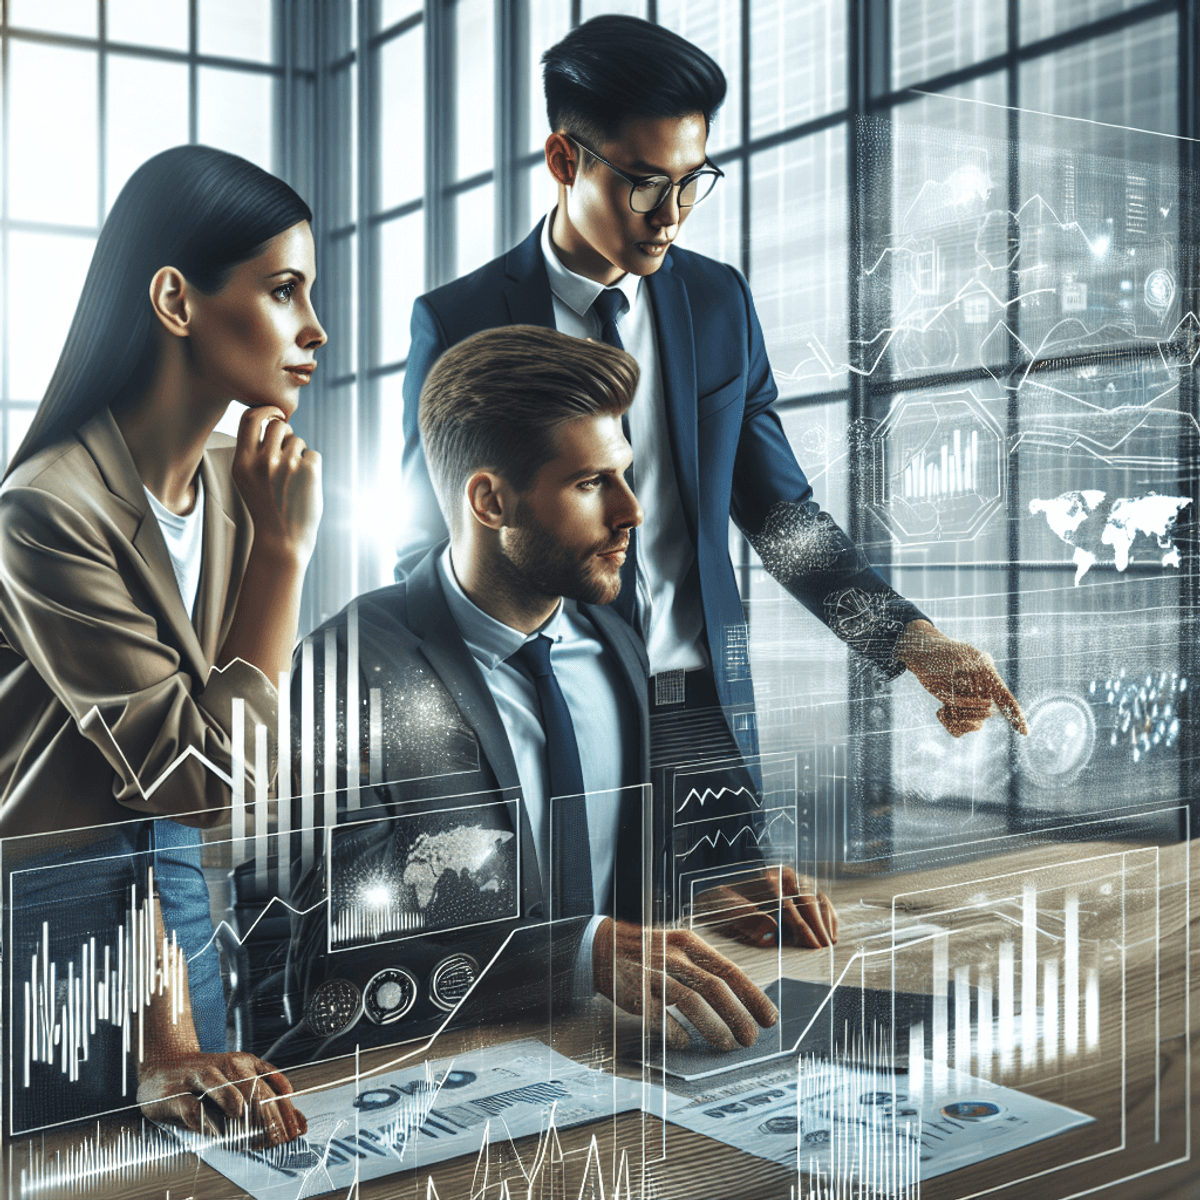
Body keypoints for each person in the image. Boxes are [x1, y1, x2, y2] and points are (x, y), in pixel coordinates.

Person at [395, 15, 1027, 776]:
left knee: (757, 901)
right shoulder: (459, 322)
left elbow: (781, 516)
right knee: (588, 905)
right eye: (644, 183)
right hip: (544, 711)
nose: (671, 214)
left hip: (704, 713)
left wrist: (911, 640)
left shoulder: (718, 304)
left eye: (692, 180)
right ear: (565, 159)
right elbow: (426, 549)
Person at [275, 326, 831, 1066]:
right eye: (591, 483)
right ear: (490, 501)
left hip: (633, 1071)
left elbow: (613, 863)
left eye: (625, 475)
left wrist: (707, 887)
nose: (632, 511)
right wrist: (587, 954)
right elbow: (335, 969)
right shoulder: (347, 671)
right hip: (442, 1090)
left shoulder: (621, 638)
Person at [0, 145, 320, 1142]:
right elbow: (196, 779)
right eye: (282, 291)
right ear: (176, 300)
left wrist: (174, 1027)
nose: (314, 330)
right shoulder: (44, 510)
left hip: (173, 901)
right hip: (50, 933)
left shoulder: (237, 477)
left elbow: (208, 801)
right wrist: (280, 560)